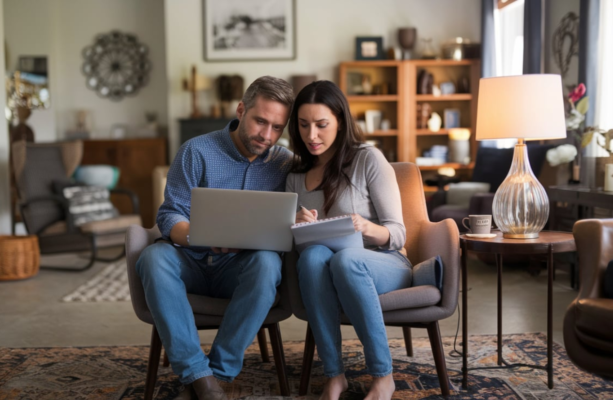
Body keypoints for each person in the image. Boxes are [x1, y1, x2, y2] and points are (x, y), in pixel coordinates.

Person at [136, 76, 295, 400]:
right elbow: (169, 215)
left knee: (267, 264)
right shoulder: (196, 150)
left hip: (238, 268)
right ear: (241, 110)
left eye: (277, 127)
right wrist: (199, 236)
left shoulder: (285, 163)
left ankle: (213, 375)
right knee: (152, 258)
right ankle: (201, 378)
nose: (267, 135)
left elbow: (288, 222)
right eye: (260, 121)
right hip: (190, 261)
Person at [286, 81, 410, 400]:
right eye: (303, 125)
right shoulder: (295, 175)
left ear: (340, 121)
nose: (311, 135)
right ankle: (334, 375)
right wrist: (295, 226)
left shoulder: (368, 159)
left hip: (384, 263)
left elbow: (397, 234)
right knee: (312, 257)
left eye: (321, 125)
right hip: (327, 268)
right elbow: (292, 245)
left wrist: (366, 227)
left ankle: (383, 376)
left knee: (347, 259)